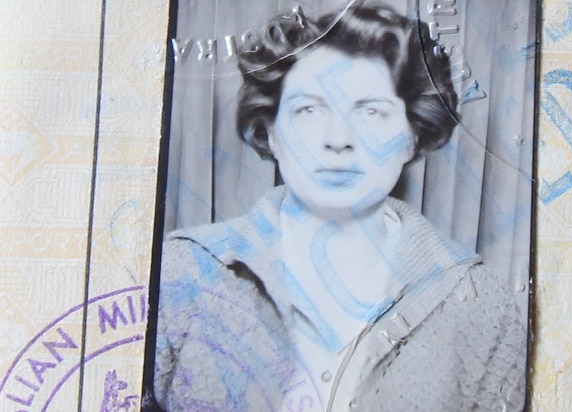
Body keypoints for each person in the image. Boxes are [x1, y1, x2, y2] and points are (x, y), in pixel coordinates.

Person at [153, 3, 526, 411]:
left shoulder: (480, 302)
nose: (337, 138)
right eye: (309, 109)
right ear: (272, 132)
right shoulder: (182, 270)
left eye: (370, 111)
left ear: (412, 137)